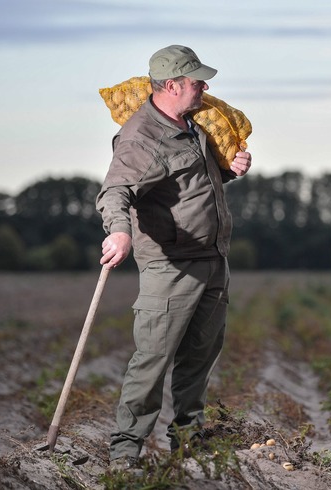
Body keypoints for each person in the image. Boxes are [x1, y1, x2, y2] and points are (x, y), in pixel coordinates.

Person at [96, 44, 252, 470]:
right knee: (153, 359)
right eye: (197, 80)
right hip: (171, 265)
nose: (204, 86)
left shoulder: (191, 124)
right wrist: (120, 233)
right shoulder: (140, 137)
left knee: (200, 355)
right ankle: (125, 451)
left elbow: (191, 185)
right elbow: (115, 191)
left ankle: (188, 440)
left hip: (212, 258)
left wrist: (228, 171)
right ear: (171, 85)